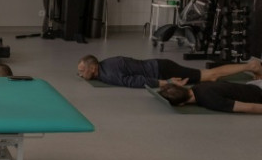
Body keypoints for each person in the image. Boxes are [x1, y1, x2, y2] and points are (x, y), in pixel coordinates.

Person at [77, 54, 262, 88]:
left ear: (93, 68)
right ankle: (251, 68)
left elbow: (136, 81)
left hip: (162, 71)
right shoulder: (107, 64)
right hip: (160, 65)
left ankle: (251, 66)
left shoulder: (109, 75)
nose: (80, 75)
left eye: (82, 71)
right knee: (206, 77)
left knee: (210, 76)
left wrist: (166, 83)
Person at [158, 79, 262, 113]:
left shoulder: (209, 100)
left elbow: (250, 107)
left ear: (181, 104)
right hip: (254, 84)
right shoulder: (199, 86)